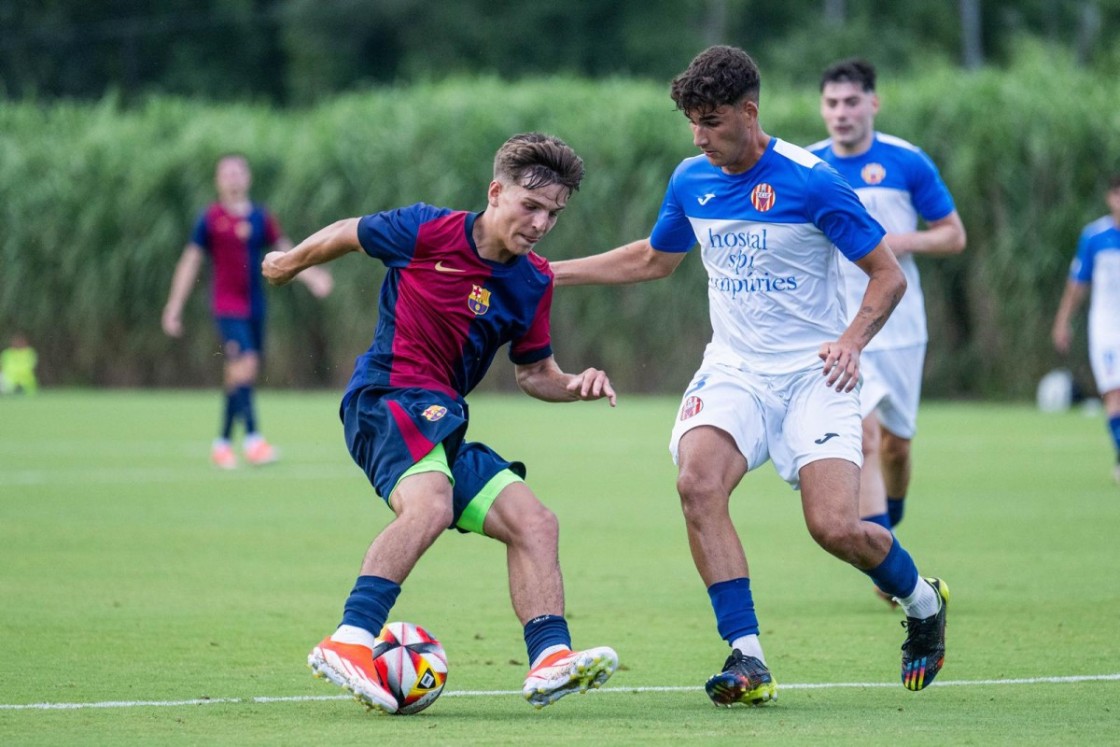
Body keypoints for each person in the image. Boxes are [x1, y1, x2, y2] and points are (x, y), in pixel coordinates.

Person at [550, 45, 948, 705]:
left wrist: (852, 342)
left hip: (814, 375)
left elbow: (889, 273)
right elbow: (653, 259)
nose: (701, 137)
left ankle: (923, 601)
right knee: (696, 483)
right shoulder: (690, 179)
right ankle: (748, 655)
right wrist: (549, 273)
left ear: (749, 111)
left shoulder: (812, 179)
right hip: (735, 369)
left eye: (712, 121)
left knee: (835, 528)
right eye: (692, 124)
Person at [262, 132, 620, 714]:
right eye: (530, 206)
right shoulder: (428, 229)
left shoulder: (534, 281)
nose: (541, 223)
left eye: (553, 213)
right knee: (429, 504)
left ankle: (550, 657)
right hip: (387, 397)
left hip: (443, 418)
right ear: (495, 191)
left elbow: (534, 374)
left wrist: (573, 385)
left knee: (535, 522)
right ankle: (350, 639)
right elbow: (351, 231)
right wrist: (288, 263)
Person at [809, 58, 966, 605]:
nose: (841, 113)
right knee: (868, 436)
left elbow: (952, 236)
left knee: (897, 446)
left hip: (900, 327)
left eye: (852, 102)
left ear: (872, 103)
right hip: (839, 328)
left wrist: (898, 243)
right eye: (831, 103)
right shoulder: (810, 167)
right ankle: (887, 567)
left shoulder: (906, 161)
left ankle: (886, 525)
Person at [161, 154, 333, 469]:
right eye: (227, 173)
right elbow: (191, 261)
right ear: (218, 180)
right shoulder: (210, 218)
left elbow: (287, 252)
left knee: (237, 375)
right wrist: (174, 305)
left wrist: (313, 276)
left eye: (238, 172)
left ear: (248, 178)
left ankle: (222, 443)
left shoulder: (259, 217)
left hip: (255, 306)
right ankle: (254, 440)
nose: (233, 178)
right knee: (246, 365)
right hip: (227, 307)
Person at [1051, 174, 1120, 483]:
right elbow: (1077, 285)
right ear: (1110, 198)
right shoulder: (1095, 236)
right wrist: (1063, 321)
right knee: (1113, 393)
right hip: (1107, 326)